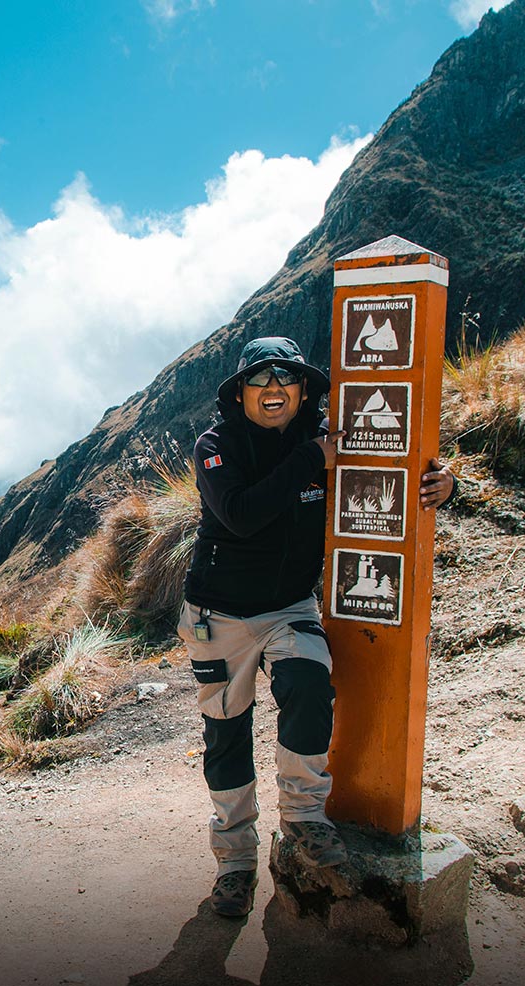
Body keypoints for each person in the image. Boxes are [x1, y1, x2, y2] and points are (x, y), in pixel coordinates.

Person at [178, 337, 455, 918]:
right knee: (226, 735)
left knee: (309, 685)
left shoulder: (322, 440)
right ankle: (234, 862)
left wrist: (448, 485)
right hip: (218, 617)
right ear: (241, 392)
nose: (274, 388)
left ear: (303, 391)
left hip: (290, 609)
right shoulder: (217, 446)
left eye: (288, 378)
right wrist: (310, 461)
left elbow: (396, 463)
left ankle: (304, 817)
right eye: (261, 379)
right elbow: (242, 516)